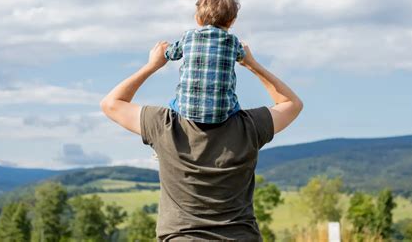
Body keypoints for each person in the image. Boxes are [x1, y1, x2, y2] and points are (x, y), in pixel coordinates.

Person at [100, 40, 303, 241]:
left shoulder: (164, 125)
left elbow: (111, 104)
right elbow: (291, 103)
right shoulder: (249, 126)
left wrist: (152, 65)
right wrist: (251, 64)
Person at [164, 0, 245, 124]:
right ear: (232, 21)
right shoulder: (233, 41)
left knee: (173, 103)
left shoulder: (188, 37)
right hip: (222, 115)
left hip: (186, 111)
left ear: (198, 19)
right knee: (236, 105)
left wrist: (166, 49)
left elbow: (172, 54)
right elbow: (242, 57)